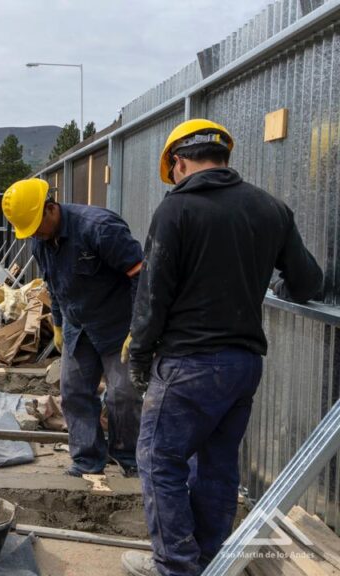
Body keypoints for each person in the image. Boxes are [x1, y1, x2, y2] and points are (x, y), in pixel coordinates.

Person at [121, 120, 323, 576]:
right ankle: (210, 561)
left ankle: (176, 566)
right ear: (224, 156)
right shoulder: (272, 209)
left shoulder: (178, 209)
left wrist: (139, 357)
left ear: (178, 162)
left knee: (158, 459)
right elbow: (308, 282)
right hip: (243, 366)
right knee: (216, 463)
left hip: (189, 365)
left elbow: (154, 295)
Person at [2, 178, 144, 478]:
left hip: (117, 326)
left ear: (50, 208)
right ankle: (88, 459)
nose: (35, 235)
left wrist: (140, 326)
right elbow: (53, 285)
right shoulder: (40, 241)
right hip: (77, 326)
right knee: (73, 391)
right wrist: (56, 322)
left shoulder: (99, 228)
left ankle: (128, 457)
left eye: (37, 226)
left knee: (123, 394)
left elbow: (141, 276)